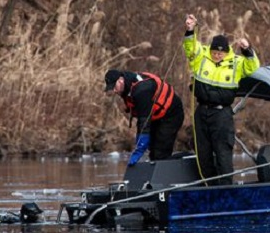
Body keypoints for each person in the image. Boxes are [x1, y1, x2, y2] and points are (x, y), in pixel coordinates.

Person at [183, 13, 260, 185]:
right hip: (202, 112)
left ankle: (225, 187)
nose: (217, 55)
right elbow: (190, 47)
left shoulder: (236, 63)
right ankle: (208, 186)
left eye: (221, 52)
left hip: (222, 114)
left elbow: (253, 67)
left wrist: (247, 50)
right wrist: (190, 29)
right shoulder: (202, 56)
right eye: (215, 52)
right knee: (203, 153)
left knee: (223, 153)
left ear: (227, 52)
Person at [104, 69, 184, 165]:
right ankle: (158, 173)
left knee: (161, 152)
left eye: (114, 87)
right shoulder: (127, 86)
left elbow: (144, 121)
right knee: (153, 152)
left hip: (172, 114)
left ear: (120, 80)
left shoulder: (142, 90)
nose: (114, 90)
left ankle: (184, 162)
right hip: (157, 116)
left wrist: (139, 148)